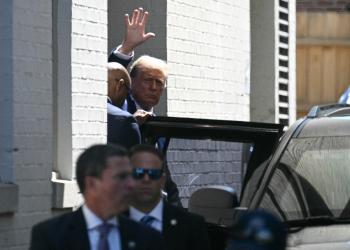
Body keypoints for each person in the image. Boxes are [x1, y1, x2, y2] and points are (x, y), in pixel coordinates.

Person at [109, 8, 182, 207]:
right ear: (130, 83)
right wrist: (126, 48)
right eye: (148, 80)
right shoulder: (119, 107)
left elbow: (165, 178)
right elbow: (107, 80)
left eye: (159, 83)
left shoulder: (158, 125)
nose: (153, 87)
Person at [30, 144, 165, 250]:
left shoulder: (146, 238)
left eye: (131, 176)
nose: (131, 184)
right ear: (92, 184)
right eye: (121, 177)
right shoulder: (51, 236)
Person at [128, 145, 211, 250]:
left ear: (163, 180)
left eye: (154, 173)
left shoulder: (190, 225)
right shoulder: (111, 221)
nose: (146, 179)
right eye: (138, 173)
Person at [107, 62, 151, 149]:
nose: (125, 100)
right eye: (127, 93)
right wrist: (129, 123)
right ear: (119, 85)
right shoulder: (125, 121)